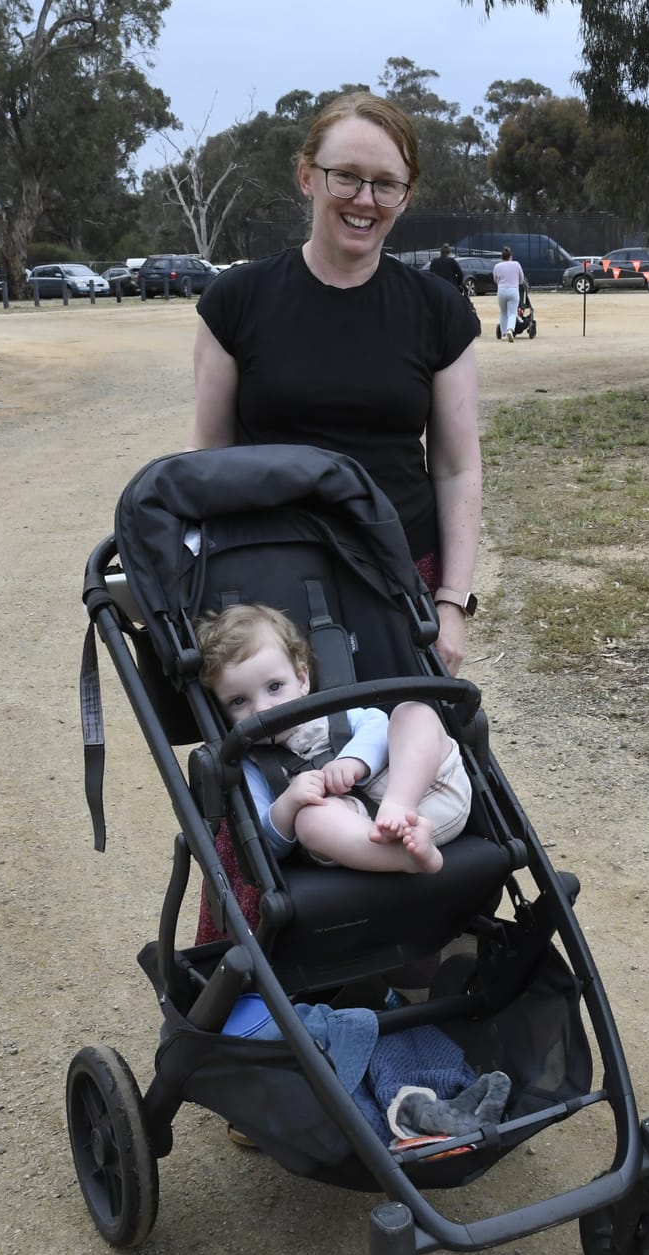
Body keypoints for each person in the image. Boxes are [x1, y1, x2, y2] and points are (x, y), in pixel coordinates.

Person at [187, 91, 483, 674]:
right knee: (289, 758)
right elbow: (209, 462)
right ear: (307, 177)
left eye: (385, 184)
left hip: (399, 577)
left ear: (406, 194)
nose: (364, 200)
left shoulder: (439, 311)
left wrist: (451, 604)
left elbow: (457, 466)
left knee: (407, 749)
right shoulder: (234, 303)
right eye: (345, 177)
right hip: (267, 581)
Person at [199, 603, 471, 875]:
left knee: (412, 712)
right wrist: (289, 803)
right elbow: (265, 847)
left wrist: (355, 760)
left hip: (430, 791)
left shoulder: (335, 712)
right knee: (310, 821)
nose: (261, 709)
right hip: (364, 837)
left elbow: (378, 727)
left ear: (302, 679)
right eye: (238, 701)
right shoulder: (251, 765)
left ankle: (399, 805)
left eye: (274, 687)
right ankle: (405, 858)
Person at [491, 247, 527, 342]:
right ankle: (510, 330)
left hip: (501, 290)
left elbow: (495, 279)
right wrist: (517, 282)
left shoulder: (497, 266)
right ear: (511, 256)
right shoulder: (516, 264)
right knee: (512, 313)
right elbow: (521, 278)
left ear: (501, 257)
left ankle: (503, 334)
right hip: (513, 290)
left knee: (503, 312)